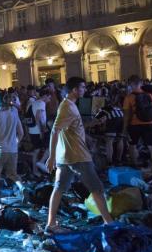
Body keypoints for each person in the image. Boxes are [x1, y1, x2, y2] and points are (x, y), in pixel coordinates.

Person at [45, 77, 113, 233]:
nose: (85, 90)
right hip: (77, 155)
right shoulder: (67, 107)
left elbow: (74, 126)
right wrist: (51, 156)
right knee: (97, 189)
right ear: (74, 90)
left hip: (66, 156)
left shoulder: (69, 105)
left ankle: (51, 224)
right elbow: (55, 130)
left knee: (59, 188)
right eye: (82, 87)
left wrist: (94, 122)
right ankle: (109, 223)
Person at [123, 75, 152, 173]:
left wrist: (125, 128)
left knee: (133, 145)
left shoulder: (129, 97)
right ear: (141, 83)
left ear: (130, 84)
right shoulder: (150, 95)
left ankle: (135, 166)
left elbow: (127, 115)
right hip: (150, 124)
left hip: (134, 125)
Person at [93, 96, 124, 165]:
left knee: (109, 141)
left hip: (113, 120)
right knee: (120, 139)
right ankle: (119, 159)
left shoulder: (104, 109)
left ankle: (109, 161)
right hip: (122, 118)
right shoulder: (118, 109)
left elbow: (95, 119)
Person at [28, 87, 51, 176]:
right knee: (50, 146)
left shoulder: (35, 102)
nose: (49, 100)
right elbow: (38, 118)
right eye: (49, 97)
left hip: (32, 130)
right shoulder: (41, 103)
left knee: (36, 151)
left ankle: (35, 170)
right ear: (45, 96)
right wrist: (41, 131)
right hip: (38, 131)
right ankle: (40, 164)